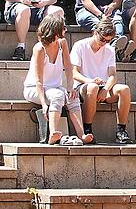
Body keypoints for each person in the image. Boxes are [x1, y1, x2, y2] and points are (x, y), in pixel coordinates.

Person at [22, 14, 89, 145]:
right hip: (34, 89)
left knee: (73, 96)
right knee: (58, 95)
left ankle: (81, 135)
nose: (65, 29)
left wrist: (70, 87)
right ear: (55, 30)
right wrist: (43, 104)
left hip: (54, 87)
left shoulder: (62, 43)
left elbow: (69, 67)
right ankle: (53, 133)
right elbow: (38, 80)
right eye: (63, 27)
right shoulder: (39, 48)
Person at [70, 17, 133, 144]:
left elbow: (113, 75)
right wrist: (89, 81)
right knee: (92, 88)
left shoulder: (109, 49)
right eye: (102, 39)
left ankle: (121, 130)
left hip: (102, 86)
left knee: (124, 89)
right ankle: (87, 129)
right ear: (95, 32)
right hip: (83, 85)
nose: (104, 43)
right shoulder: (80, 46)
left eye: (108, 41)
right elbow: (73, 73)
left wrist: (105, 89)